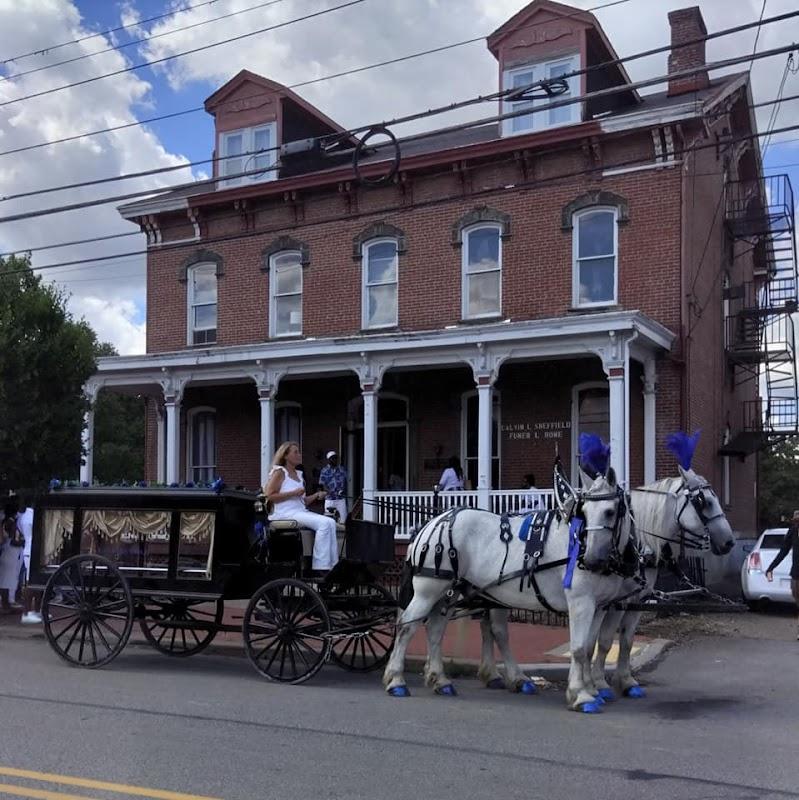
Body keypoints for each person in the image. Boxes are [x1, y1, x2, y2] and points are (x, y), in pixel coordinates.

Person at [265, 441, 339, 572]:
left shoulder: (299, 475)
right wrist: (293, 493)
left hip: (299, 511)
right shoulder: (280, 472)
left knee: (331, 522)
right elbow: (269, 495)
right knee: (324, 524)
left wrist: (316, 495)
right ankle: (320, 567)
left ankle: (332, 565)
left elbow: (302, 501)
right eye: (295, 452)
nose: (299, 455)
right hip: (285, 513)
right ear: (286, 456)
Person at [766, 508, 799, 640]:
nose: (797, 524)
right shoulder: (792, 532)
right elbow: (783, 552)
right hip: (796, 574)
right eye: (796, 522)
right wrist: (771, 568)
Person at [17, 496, 41, 624]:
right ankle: (26, 613)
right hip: (31, 550)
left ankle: (36, 611)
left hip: (30, 548)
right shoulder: (30, 516)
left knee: (38, 581)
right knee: (30, 582)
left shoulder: (23, 516)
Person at [0, 500, 23, 614]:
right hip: (10, 552)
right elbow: (13, 540)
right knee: (6, 580)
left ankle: (6, 603)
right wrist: (22, 542)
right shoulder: (10, 522)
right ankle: (5, 605)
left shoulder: (7, 521)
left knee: (7, 579)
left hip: (9, 552)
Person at [319, 450, 348, 523]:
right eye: (333, 458)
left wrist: (343, 490)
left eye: (336, 458)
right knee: (328, 520)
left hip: (340, 499)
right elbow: (323, 484)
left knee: (343, 520)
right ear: (329, 460)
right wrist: (330, 492)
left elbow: (346, 481)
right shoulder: (324, 470)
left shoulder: (341, 469)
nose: (335, 460)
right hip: (329, 499)